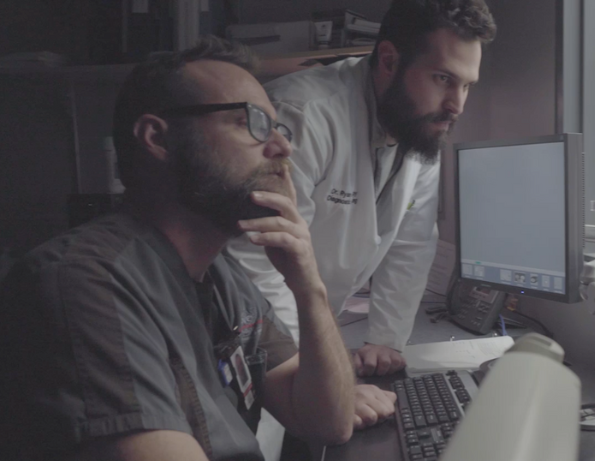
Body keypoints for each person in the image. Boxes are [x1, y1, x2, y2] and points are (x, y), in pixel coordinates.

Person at [0, 37, 386, 460]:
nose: (281, 147)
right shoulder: (82, 283)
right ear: (157, 138)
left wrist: (308, 286)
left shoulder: (224, 277)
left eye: (278, 128)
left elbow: (326, 423)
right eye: (251, 122)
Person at [227, 0, 497, 378]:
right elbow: (261, 265)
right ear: (388, 60)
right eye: (443, 79)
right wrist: (324, 379)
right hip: (252, 337)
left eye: (467, 85)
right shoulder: (303, 115)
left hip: (309, 328)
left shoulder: (417, 126)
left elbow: (411, 244)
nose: (457, 105)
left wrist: (386, 340)